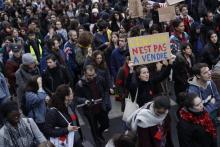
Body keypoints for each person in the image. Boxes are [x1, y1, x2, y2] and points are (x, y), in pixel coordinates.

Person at [75, 65, 110, 146]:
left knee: (106, 124)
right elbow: (76, 97)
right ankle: (97, 142)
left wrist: (105, 101)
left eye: (93, 75)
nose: (92, 77)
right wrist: (85, 100)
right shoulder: (79, 84)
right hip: (89, 110)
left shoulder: (99, 79)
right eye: (90, 75)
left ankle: (99, 133)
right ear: (84, 73)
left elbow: (105, 90)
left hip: (101, 107)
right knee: (93, 128)